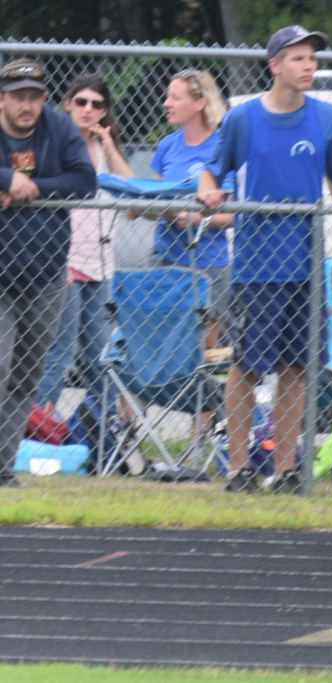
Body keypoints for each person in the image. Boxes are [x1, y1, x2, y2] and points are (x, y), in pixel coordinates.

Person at [198, 25, 332, 494]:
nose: (308, 65)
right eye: (297, 58)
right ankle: (239, 469)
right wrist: (210, 193)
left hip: (307, 265)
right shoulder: (243, 118)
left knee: (297, 367)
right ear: (274, 65)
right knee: (248, 368)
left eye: (312, 57)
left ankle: (286, 468)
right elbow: (212, 172)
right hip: (257, 265)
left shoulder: (328, 118)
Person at [0, 59, 97, 487]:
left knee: (25, 377)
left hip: (46, 276)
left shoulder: (58, 128)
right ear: (1, 98)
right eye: (18, 96)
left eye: (34, 96)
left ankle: (4, 470)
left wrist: (32, 187)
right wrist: (6, 177)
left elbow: (85, 180)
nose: (27, 105)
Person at [35, 72, 132, 416]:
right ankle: (34, 429)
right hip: (65, 261)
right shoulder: (54, 145)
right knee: (59, 351)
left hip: (102, 266)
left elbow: (135, 200)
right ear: (67, 105)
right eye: (81, 102)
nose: (88, 110)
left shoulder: (104, 148)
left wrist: (108, 147)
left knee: (101, 354)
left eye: (97, 104)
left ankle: (103, 432)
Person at [145, 69, 233, 349]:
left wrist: (199, 219)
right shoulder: (167, 145)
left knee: (200, 351)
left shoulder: (222, 146)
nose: (166, 103)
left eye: (175, 97)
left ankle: (202, 395)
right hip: (164, 257)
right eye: (167, 97)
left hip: (208, 264)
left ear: (199, 103)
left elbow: (233, 214)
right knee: (158, 348)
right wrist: (144, 208)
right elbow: (154, 197)